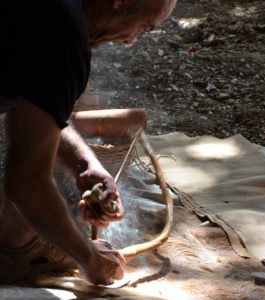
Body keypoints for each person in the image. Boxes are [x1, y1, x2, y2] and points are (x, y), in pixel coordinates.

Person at [0, 0, 176, 285]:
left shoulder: (50, 16)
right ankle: (18, 247)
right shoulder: (63, 37)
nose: (131, 40)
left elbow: (33, 113)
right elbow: (26, 185)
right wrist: (90, 261)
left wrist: (85, 165)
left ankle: (15, 242)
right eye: (143, 26)